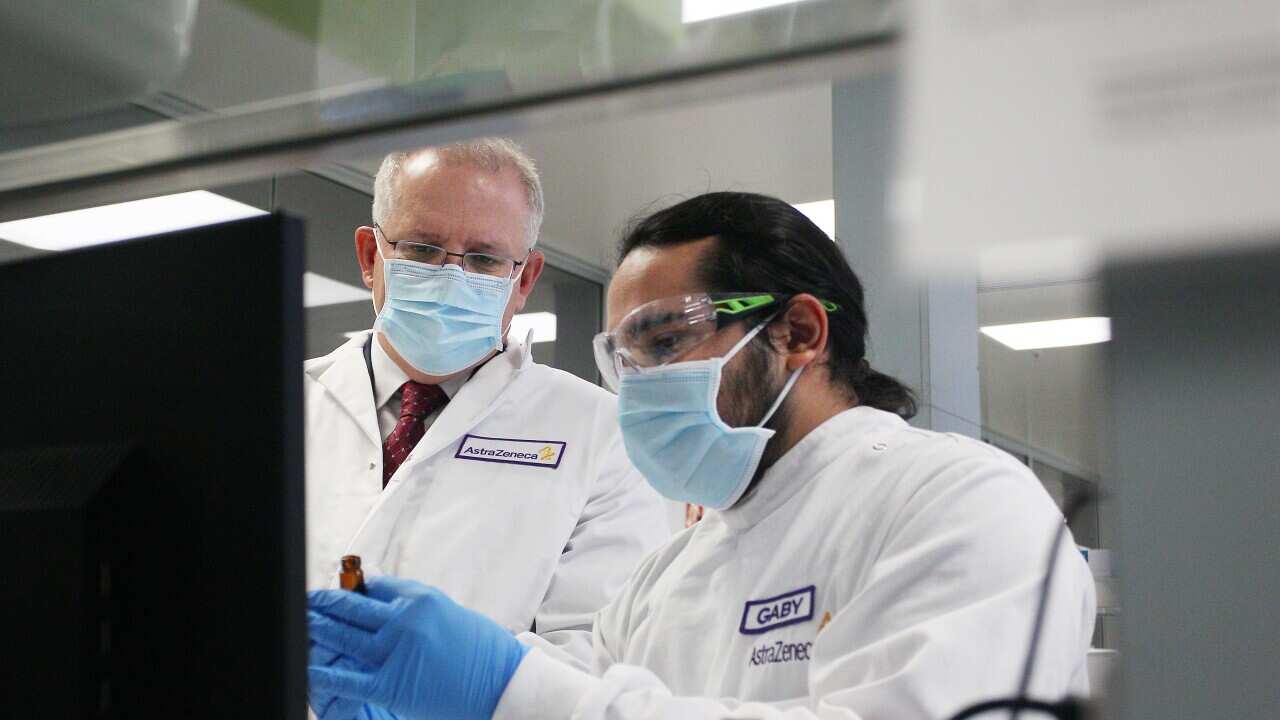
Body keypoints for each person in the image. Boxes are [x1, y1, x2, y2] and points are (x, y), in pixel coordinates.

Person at [305, 192, 1097, 719]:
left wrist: (507, 688)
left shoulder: (960, 502)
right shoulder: (667, 577)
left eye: (666, 340)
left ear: (799, 333)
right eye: (622, 356)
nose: (637, 384)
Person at [302, 140, 670, 715]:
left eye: (483, 259)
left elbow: (598, 652)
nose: (452, 276)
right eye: (423, 249)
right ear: (370, 254)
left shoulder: (603, 436)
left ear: (524, 279)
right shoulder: (279, 407)